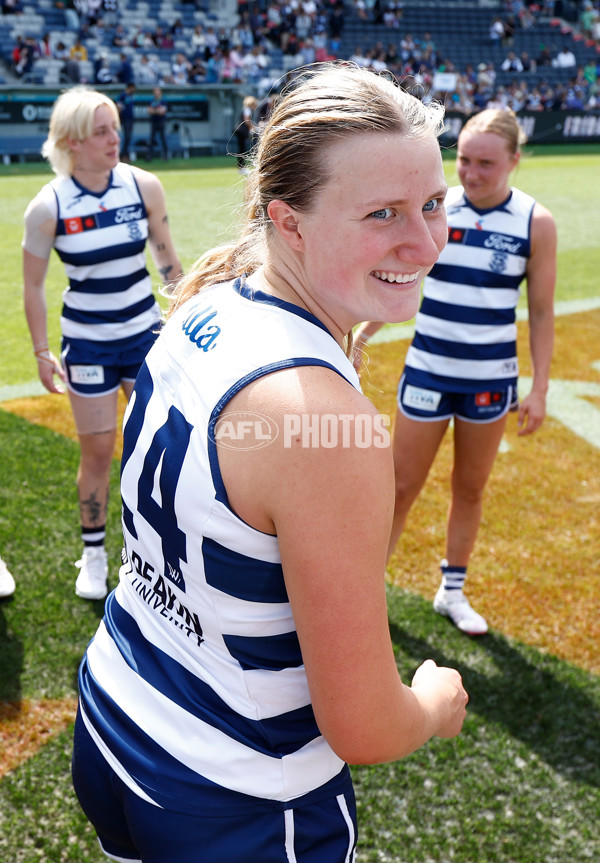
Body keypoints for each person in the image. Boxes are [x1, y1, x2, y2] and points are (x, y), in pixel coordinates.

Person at [71, 63, 469, 863]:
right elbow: (361, 725)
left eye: (432, 203)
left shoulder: (208, 302)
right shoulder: (327, 422)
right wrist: (431, 703)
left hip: (116, 711)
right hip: (239, 794)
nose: (425, 242)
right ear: (288, 222)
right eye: (382, 213)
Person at [355, 108, 556, 637]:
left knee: (469, 489)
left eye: (485, 163)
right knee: (399, 488)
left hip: (490, 382)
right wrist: (361, 335)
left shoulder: (536, 223)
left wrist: (539, 388)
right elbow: (400, 277)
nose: (470, 173)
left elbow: (540, 311)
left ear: (514, 160)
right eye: (464, 160)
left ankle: (452, 591)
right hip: (427, 373)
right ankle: (366, 590)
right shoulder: (435, 211)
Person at [22, 86, 183, 601]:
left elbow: (167, 260)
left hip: (145, 337)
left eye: (115, 127)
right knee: (97, 453)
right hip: (87, 346)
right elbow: (31, 286)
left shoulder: (142, 186)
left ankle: (153, 553)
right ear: (71, 141)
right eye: (101, 131)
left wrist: (183, 318)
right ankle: (93, 556)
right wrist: (42, 351)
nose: (115, 138)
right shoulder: (48, 207)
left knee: (157, 448)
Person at [233, 94, 258, 172]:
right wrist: (252, 127)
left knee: (241, 148)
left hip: (239, 130)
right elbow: (247, 120)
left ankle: (241, 167)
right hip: (241, 131)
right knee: (242, 149)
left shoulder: (245, 109)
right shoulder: (247, 109)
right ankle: (241, 167)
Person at [116, 81, 136, 161]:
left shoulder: (130, 96)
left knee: (129, 137)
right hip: (125, 119)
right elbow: (119, 107)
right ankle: (123, 155)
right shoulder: (123, 96)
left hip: (130, 119)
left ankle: (125, 154)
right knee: (126, 136)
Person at [147, 85, 168, 161]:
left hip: (161, 122)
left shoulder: (163, 101)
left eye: (157, 91)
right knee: (152, 139)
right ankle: (149, 156)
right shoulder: (151, 101)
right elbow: (149, 111)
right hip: (154, 122)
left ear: (160, 92)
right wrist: (157, 111)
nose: (156, 93)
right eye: (154, 91)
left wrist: (154, 111)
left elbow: (162, 111)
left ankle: (165, 156)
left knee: (163, 138)